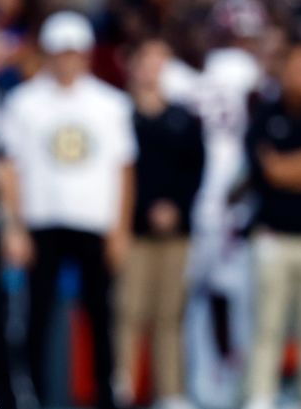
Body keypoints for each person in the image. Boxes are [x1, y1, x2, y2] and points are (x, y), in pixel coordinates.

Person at [0, 10, 136, 409]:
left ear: (86, 54)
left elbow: (124, 170)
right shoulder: (25, 102)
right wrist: (15, 227)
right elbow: (9, 168)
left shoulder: (111, 103)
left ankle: (105, 396)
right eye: (60, 52)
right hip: (42, 222)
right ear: (48, 54)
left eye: (74, 52)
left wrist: (121, 229)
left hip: (95, 222)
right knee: (37, 318)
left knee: (101, 319)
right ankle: (36, 396)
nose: (67, 60)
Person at [115, 40, 204, 409]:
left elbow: (196, 170)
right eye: (146, 60)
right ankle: (123, 385)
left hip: (176, 232)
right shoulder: (119, 113)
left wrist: (176, 210)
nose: (152, 68)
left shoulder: (183, 117)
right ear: (134, 65)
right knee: (129, 311)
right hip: (134, 230)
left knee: (170, 313)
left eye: (159, 61)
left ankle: (170, 392)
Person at [244, 38, 301, 409]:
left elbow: (280, 167)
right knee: (267, 325)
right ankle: (260, 397)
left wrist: (287, 167)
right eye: (294, 66)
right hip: (272, 235)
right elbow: (266, 169)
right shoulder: (266, 113)